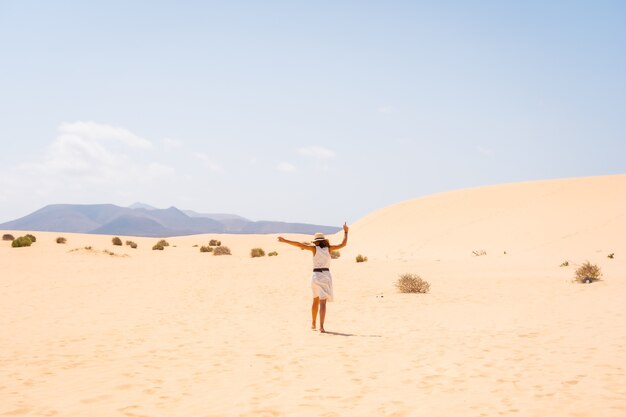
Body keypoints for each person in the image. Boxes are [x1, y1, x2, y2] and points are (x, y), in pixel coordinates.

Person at [278, 223, 349, 333]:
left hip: (315, 276)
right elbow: (343, 244)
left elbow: (299, 244)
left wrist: (285, 240)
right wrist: (345, 231)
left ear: (316, 241)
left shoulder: (314, 249)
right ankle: (321, 327)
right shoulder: (329, 249)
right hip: (325, 275)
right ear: (324, 240)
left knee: (315, 300)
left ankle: (313, 323)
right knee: (323, 302)